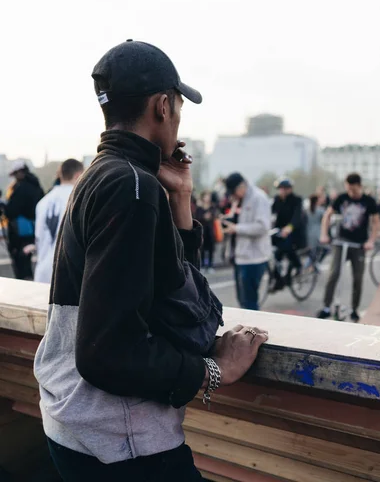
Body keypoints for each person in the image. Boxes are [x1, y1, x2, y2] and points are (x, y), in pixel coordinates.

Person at [34, 39, 268, 481]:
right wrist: (214, 371)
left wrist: (180, 198)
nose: (178, 118)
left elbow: (170, 292)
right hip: (119, 438)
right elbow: (108, 352)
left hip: (77, 425)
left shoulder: (103, 174)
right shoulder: (131, 186)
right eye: (178, 106)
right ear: (163, 106)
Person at [317, 173, 380, 322]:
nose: (350, 192)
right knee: (333, 274)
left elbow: (376, 222)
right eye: (348, 189)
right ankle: (326, 306)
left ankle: (354, 309)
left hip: (359, 245)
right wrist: (324, 234)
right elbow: (327, 215)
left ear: (359, 186)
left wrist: (371, 241)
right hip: (340, 242)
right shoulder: (342, 198)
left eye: (353, 189)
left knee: (358, 278)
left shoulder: (369, 201)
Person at [222, 173, 271, 311]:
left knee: (249, 303)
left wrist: (236, 228)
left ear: (242, 186)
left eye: (234, 192)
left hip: (254, 258)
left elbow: (263, 227)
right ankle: (248, 329)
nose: (233, 196)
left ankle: (253, 331)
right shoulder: (240, 200)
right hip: (240, 256)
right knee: (242, 301)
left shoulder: (258, 198)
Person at [34, 159, 84, 284]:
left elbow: (39, 237)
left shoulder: (43, 202)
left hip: (42, 270)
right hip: (67, 274)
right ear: (78, 175)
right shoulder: (80, 198)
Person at [4, 160, 44, 280]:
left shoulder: (21, 189)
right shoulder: (36, 186)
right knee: (27, 262)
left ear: (20, 172)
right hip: (32, 232)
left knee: (21, 265)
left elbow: (11, 211)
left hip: (19, 235)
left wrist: (4, 206)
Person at [270, 178, 305, 291]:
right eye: (280, 189)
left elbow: (297, 216)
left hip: (293, 231)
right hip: (278, 230)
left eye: (285, 189)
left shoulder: (297, 200)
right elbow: (271, 213)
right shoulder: (276, 200)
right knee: (274, 255)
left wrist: (289, 228)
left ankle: (298, 266)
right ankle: (278, 280)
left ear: (290, 189)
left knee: (286, 248)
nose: (282, 191)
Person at [195, 191, 217, 272]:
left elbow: (215, 216)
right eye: (206, 196)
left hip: (211, 231)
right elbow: (197, 217)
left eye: (209, 196)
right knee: (203, 248)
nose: (207, 198)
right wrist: (204, 217)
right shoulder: (199, 208)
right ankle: (204, 265)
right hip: (203, 230)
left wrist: (210, 216)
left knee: (211, 248)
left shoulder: (212, 207)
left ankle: (210, 265)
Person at [306, 194, 324, 265]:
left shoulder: (306, 210)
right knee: (323, 249)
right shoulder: (320, 210)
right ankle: (314, 265)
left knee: (312, 252)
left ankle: (312, 265)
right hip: (318, 232)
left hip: (308, 232)